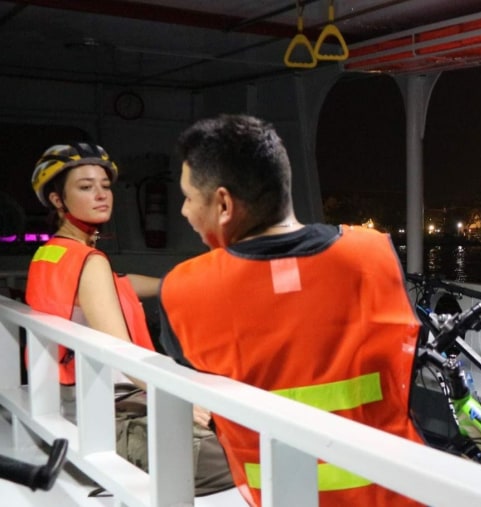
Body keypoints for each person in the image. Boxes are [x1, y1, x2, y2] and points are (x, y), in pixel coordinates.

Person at [157, 114, 423, 507]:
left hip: (280, 497)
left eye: (189, 197)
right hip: (397, 496)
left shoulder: (183, 290)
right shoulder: (373, 255)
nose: (184, 211)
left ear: (224, 204)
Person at [25, 143, 232, 495]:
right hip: (107, 414)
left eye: (105, 186)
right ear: (58, 200)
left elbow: (120, 285)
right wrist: (179, 399)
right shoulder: (89, 263)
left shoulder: (52, 253)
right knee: (241, 456)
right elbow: (123, 353)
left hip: (72, 402)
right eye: (85, 187)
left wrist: (184, 284)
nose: (102, 195)